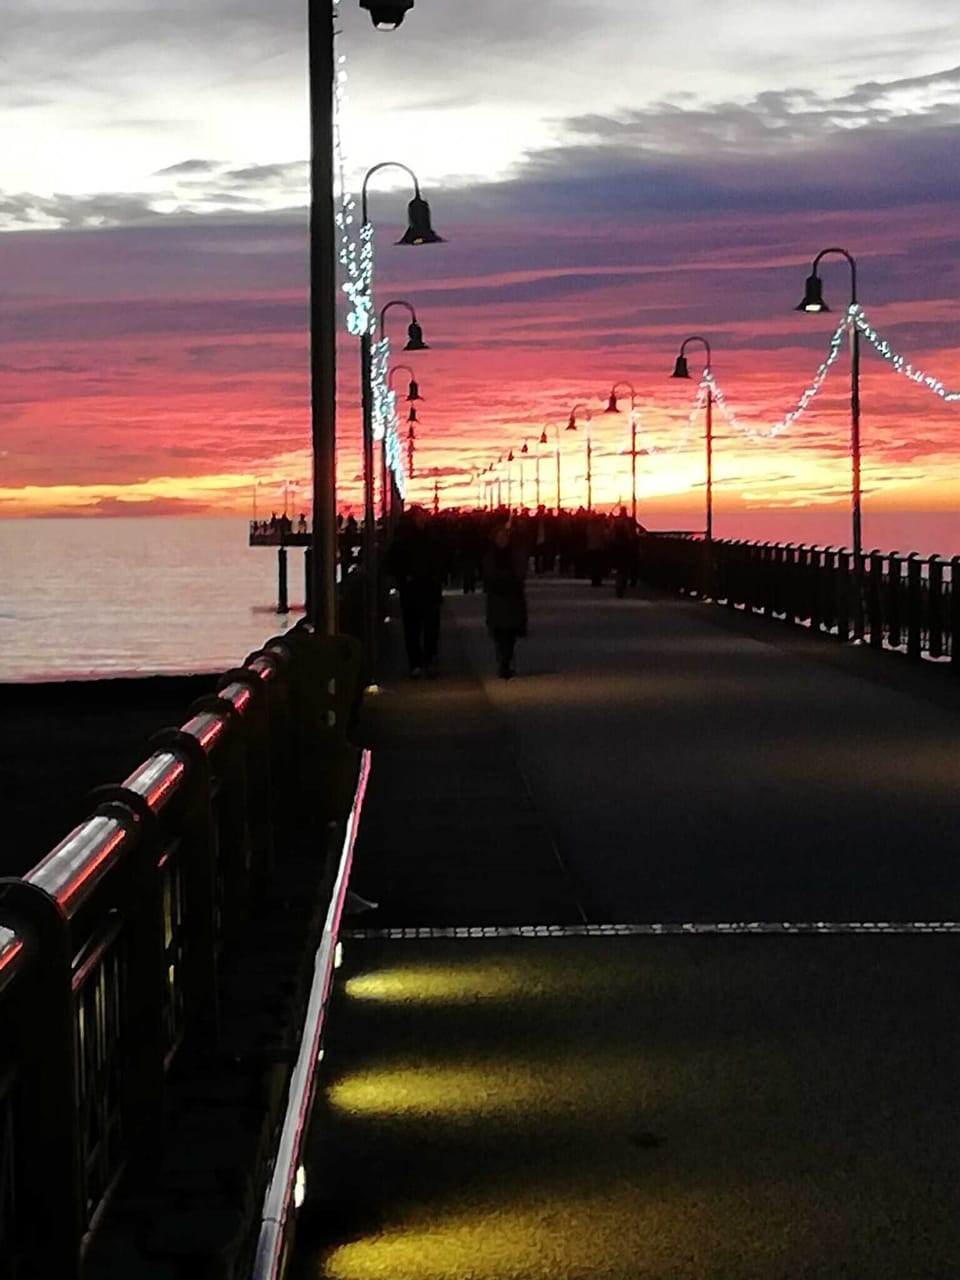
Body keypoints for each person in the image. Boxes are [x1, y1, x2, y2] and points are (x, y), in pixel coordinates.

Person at [383, 505, 445, 677]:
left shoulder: (433, 537)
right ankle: (416, 663)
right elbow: (391, 562)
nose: (422, 520)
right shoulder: (403, 540)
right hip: (412, 589)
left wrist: (438, 576)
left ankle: (429, 659)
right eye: (419, 517)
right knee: (413, 629)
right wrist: (404, 578)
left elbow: (443, 557)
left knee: (431, 627)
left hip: (429, 588)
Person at [482, 522, 528, 679]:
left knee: (510, 634)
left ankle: (506, 662)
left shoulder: (515, 554)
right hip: (497, 600)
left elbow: (520, 573)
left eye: (504, 537)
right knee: (499, 634)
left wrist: (508, 579)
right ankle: (503, 663)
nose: (502, 540)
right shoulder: (491, 556)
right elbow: (488, 576)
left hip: (512, 599)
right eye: (499, 537)